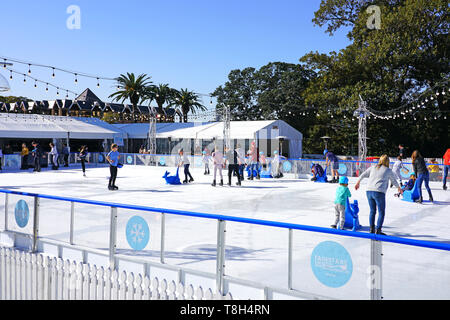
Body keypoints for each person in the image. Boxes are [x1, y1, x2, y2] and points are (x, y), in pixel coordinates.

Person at [355, 155, 402, 235]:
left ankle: (371, 229)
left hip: (369, 191)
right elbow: (393, 180)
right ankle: (378, 230)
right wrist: (399, 188)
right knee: (381, 212)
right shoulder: (388, 170)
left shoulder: (373, 167)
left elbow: (363, 174)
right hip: (379, 192)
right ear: (387, 162)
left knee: (372, 211)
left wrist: (358, 182)